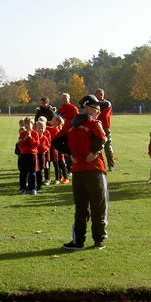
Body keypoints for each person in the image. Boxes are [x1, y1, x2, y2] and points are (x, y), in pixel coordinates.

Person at [52, 94, 108, 250]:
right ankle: (98, 240)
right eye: (96, 108)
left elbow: (56, 141)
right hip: (94, 170)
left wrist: (70, 154)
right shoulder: (92, 123)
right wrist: (92, 153)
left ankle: (78, 241)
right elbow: (102, 139)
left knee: (81, 208)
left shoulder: (70, 124)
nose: (98, 112)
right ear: (88, 108)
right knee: (98, 207)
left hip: (78, 171)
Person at [17, 118, 39, 195]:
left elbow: (36, 144)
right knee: (23, 172)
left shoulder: (35, 133)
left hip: (32, 155)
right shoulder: (22, 134)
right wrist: (25, 139)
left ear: (32, 124)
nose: (27, 125)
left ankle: (32, 188)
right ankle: (23, 188)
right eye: (26, 124)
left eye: (29, 124)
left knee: (32, 172)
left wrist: (30, 138)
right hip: (24, 155)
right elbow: (19, 144)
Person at [95, 88, 115, 172]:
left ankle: (111, 165)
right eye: (96, 94)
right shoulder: (94, 103)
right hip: (96, 128)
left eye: (100, 94)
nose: (98, 96)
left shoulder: (107, 103)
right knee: (95, 147)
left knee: (108, 147)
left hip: (105, 128)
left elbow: (103, 115)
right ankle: (98, 165)